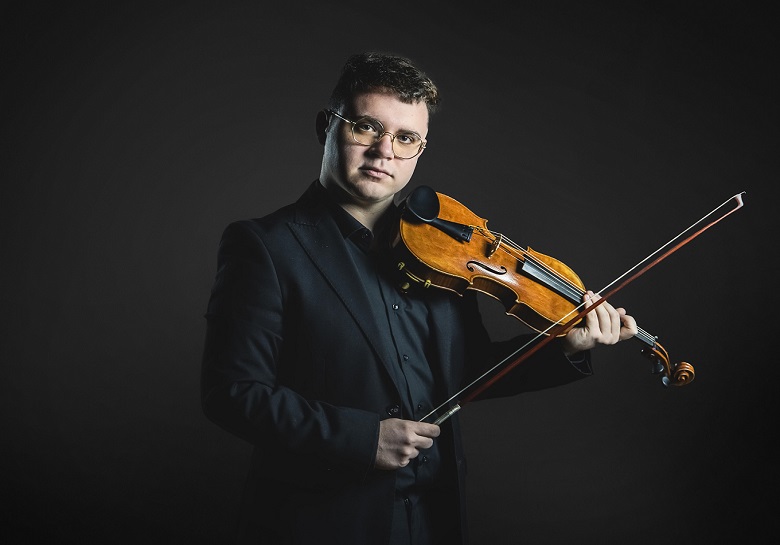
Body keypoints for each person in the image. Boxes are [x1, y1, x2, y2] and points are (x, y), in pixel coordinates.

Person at [201, 51, 637, 545]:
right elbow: (231, 392)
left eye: (406, 138)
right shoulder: (264, 246)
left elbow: (466, 372)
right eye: (366, 128)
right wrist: (364, 439)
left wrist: (566, 347)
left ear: (419, 149)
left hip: (431, 521)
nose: (384, 151)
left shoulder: (444, 249)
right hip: (321, 524)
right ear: (327, 127)